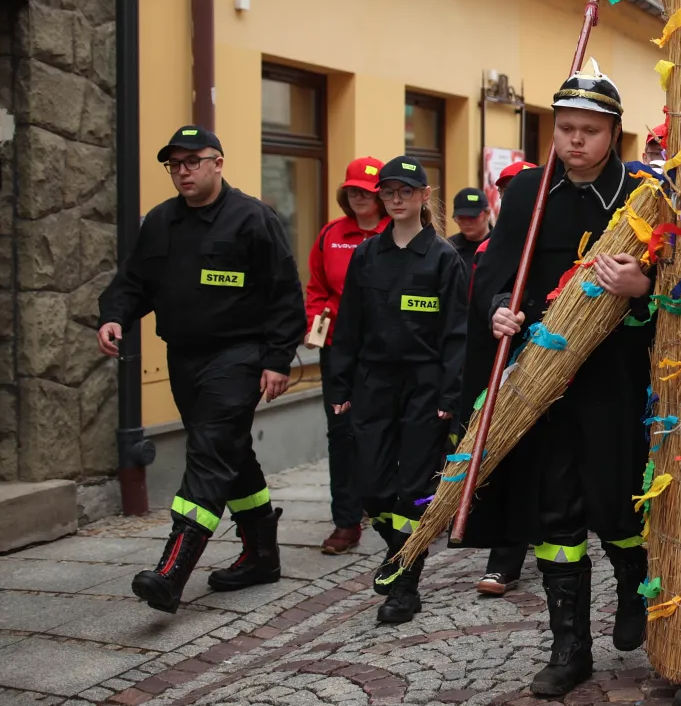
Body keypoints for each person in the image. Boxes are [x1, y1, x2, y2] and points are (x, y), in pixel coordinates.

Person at [458, 69, 656, 700]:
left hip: (617, 373)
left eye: (589, 131)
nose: (575, 141)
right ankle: (568, 645)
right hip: (544, 376)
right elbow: (497, 270)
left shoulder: (642, 195)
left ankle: (633, 590)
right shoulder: (526, 194)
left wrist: (642, 289)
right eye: (565, 129)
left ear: (613, 132)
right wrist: (498, 310)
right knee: (555, 508)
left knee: (620, 494)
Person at [97, 126, 305, 613]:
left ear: (218, 163)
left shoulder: (253, 218)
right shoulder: (161, 222)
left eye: (193, 161)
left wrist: (277, 359)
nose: (184, 171)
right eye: (175, 164)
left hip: (239, 357)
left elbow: (284, 295)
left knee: (209, 451)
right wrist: (113, 316)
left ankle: (171, 571)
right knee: (230, 452)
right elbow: (134, 281)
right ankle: (262, 555)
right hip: (184, 356)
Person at [327, 157, 467, 624]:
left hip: (424, 385)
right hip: (373, 382)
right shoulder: (368, 254)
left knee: (413, 488)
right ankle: (398, 552)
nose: (396, 199)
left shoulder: (443, 257)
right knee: (372, 484)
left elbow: (456, 334)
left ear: (424, 197)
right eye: (389, 191)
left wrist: (451, 396)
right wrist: (341, 381)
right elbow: (349, 323)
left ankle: (405, 582)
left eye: (405, 191)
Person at [304, 156, 389, 556]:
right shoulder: (330, 235)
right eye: (352, 190)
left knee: (387, 431)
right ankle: (346, 521)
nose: (358, 197)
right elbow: (317, 288)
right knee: (341, 433)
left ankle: (392, 509)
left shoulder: (400, 232)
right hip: (339, 351)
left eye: (367, 192)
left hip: (388, 353)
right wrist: (315, 322)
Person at [468, 158, 535, 597]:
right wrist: (497, 307)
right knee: (509, 455)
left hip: (560, 361)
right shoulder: (487, 248)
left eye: (520, 190)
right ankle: (504, 557)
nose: (513, 198)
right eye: (506, 190)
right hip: (510, 366)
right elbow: (484, 296)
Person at [448, 188, 492, 271]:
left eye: (472, 217)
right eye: (461, 218)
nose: (467, 223)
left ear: (487, 213)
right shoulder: (449, 248)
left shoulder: (498, 245)